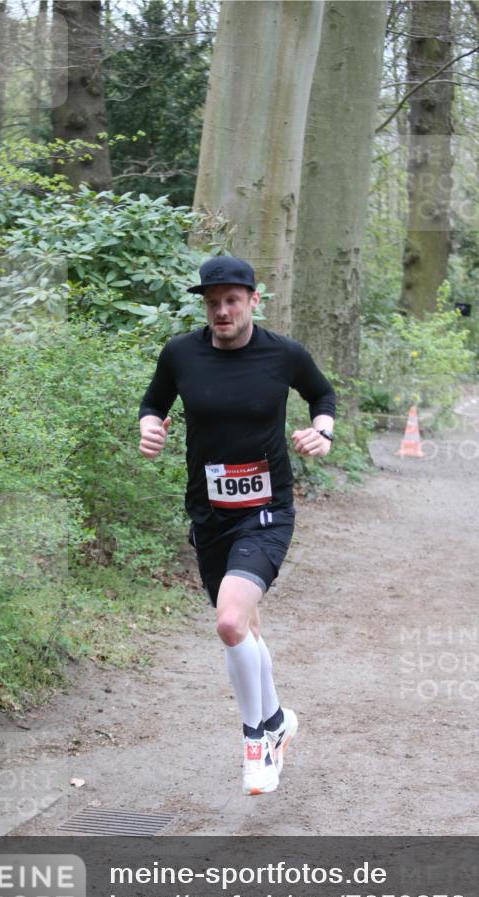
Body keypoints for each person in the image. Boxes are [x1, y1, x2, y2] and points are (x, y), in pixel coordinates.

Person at [138, 256, 335, 795]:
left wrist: (324, 431)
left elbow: (322, 394)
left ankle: (258, 741)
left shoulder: (283, 354)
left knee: (229, 623)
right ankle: (278, 720)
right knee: (245, 627)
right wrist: (150, 427)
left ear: (253, 300)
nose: (222, 311)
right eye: (212, 302)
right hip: (209, 513)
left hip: (267, 512)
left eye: (232, 300)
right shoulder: (181, 352)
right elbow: (153, 402)